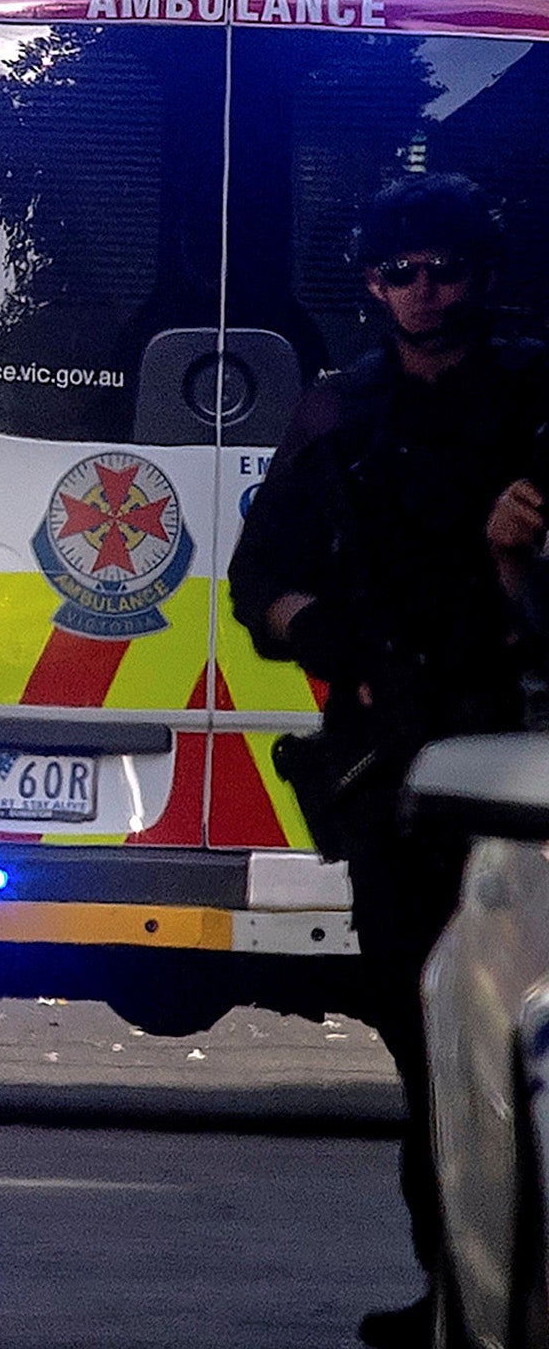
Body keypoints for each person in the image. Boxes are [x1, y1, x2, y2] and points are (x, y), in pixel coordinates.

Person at [229, 174, 549, 1349]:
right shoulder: (337, 414)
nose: (422, 293)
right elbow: (255, 582)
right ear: (369, 283)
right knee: (426, 1047)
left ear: (483, 273)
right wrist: (324, 637)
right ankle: (450, 1282)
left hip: (516, 753)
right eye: (396, 271)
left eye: (444, 268)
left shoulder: (529, 403)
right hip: (396, 765)